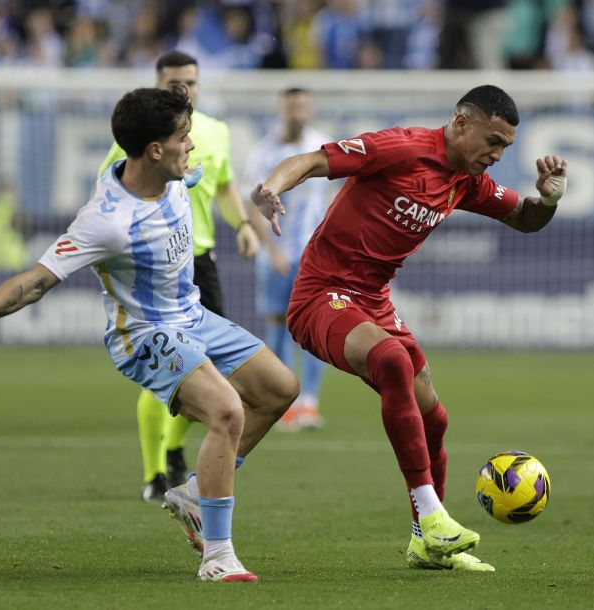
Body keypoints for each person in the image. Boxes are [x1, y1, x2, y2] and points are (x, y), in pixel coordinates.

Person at [0, 87, 298, 582]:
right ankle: (218, 555)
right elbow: (34, 282)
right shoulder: (105, 220)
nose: (192, 145)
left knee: (281, 389)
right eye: (183, 137)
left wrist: (248, 211)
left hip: (193, 318)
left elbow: (212, 181)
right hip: (145, 335)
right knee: (226, 410)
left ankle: (195, 492)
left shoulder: (175, 174)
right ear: (155, 149)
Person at [251, 85, 568, 572]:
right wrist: (273, 187)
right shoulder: (402, 148)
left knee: (434, 418)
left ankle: (427, 542)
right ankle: (432, 515)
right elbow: (313, 160)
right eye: (493, 141)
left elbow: (525, 219)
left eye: (506, 147)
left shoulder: (466, 180)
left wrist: (549, 200)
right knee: (392, 360)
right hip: (320, 295)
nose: (498, 155)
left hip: (372, 303)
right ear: (461, 123)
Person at [97, 50, 260, 503]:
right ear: (157, 84)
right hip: (157, 267)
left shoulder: (216, 132)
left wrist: (243, 225)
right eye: (173, 83)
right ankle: (155, 473)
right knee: (171, 367)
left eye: (190, 82)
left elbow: (224, 185)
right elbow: (111, 191)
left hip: (199, 261)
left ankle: (172, 449)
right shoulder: (141, 135)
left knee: (210, 370)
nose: (182, 89)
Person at [243, 87, 331, 431]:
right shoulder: (263, 152)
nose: (299, 111)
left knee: (314, 326)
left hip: (315, 254)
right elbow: (252, 204)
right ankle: (285, 400)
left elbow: (334, 195)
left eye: (304, 105)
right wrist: (272, 250)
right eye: (293, 105)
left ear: (311, 109)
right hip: (276, 254)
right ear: (283, 109)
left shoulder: (321, 145)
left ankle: (310, 400)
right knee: (278, 324)